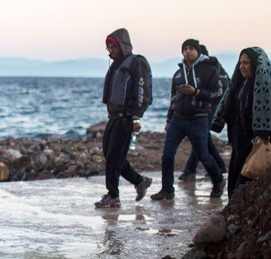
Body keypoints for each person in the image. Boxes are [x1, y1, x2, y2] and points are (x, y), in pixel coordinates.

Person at [150, 39, 225, 200]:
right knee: (167, 155)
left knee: (204, 155)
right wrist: (169, 119)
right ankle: (167, 189)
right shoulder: (178, 73)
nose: (188, 52)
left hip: (198, 119)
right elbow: (173, 98)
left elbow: (217, 94)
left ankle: (218, 181)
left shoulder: (209, 70)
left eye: (191, 48)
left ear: (198, 51)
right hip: (177, 119)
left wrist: (196, 92)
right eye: (185, 49)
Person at [211, 47, 271, 193]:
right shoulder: (239, 84)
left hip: (258, 142)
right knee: (237, 178)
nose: (242, 67)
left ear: (256, 64)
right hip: (240, 142)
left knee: (247, 181)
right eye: (241, 63)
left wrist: (263, 133)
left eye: (247, 63)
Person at [96, 28, 153, 208]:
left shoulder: (136, 63)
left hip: (126, 117)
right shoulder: (116, 65)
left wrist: (136, 117)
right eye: (109, 48)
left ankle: (113, 195)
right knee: (110, 153)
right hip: (114, 116)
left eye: (113, 47)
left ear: (122, 45)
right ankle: (139, 181)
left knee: (114, 156)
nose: (110, 51)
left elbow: (143, 90)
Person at [179, 44, 229, 181]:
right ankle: (219, 165)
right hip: (209, 107)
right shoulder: (213, 68)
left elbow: (219, 90)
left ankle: (191, 169)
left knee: (200, 137)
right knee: (204, 137)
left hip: (212, 107)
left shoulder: (211, 69)